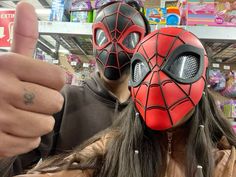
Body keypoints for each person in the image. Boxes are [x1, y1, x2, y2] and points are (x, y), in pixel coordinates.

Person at [14, 27, 236, 177]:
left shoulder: (227, 160)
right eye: (144, 69)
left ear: (203, 78)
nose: (156, 81)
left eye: (181, 66)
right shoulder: (110, 149)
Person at [0, 1, 150, 176]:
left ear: (143, 44)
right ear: (94, 40)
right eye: (103, 36)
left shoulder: (148, 113)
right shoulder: (60, 102)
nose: (113, 46)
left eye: (130, 38)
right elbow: (10, 168)